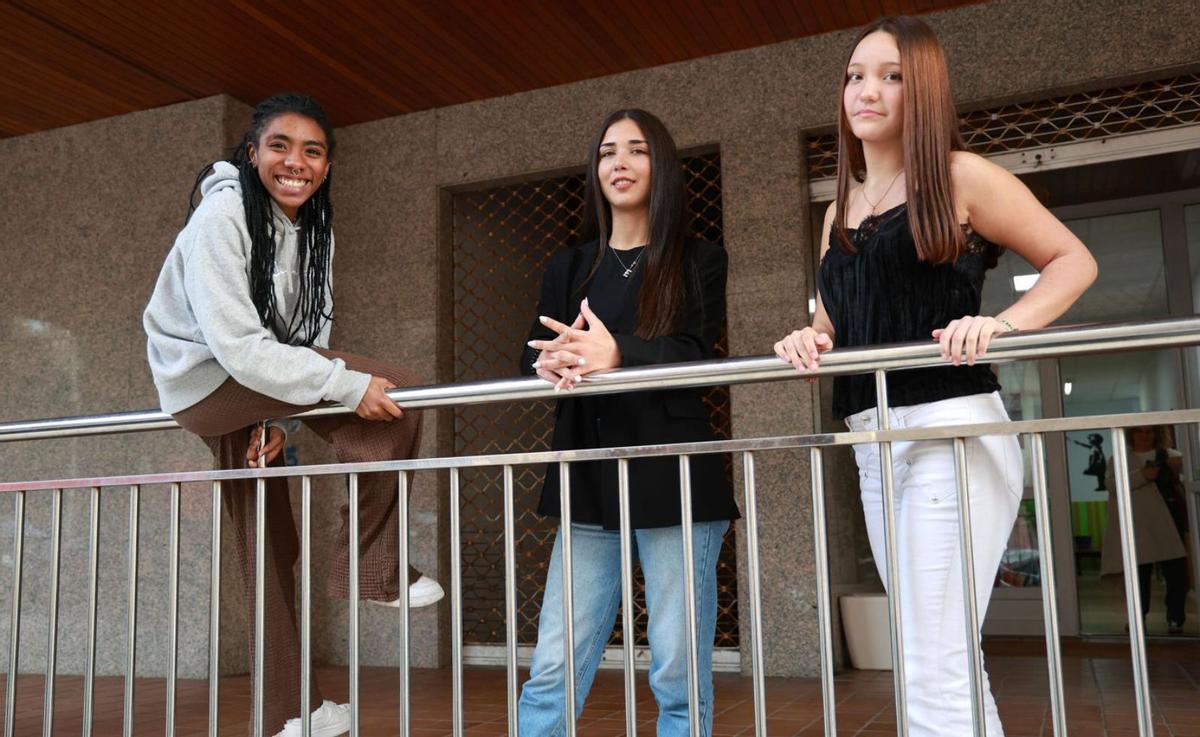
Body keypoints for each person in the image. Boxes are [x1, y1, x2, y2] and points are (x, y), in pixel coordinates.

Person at [773, 16, 1097, 737]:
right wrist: (810, 336)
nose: (868, 90)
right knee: (935, 649)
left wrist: (1007, 325)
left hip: (950, 427)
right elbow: (838, 320)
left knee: (929, 653)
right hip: (872, 439)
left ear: (922, 93)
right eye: (856, 74)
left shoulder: (959, 176)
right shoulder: (840, 207)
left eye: (891, 76)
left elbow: (1073, 260)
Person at [143, 93, 442, 737]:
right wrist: (345, 386)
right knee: (400, 390)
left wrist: (281, 422)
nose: (295, 162)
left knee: (269, 540)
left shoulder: (314, 231)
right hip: (207, 380)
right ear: (252, 155)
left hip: (252, 384)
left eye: (313, 151)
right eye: (279, 145)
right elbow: (237, 345)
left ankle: (293, 714)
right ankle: (372, 562)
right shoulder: (222, 215)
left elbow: (309, 332)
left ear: (327, 167)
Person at [517, 108, 740, 737]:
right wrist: (552, 360)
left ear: (660, 167)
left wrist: (617, 355)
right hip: (586, 475)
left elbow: (698, 355)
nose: (619, 162)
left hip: (676, 478)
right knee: (555, 661)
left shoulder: (698, 258)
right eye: (608, 151)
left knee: (676, 666)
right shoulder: (568, 266)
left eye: (637, 150)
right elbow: (531, 352)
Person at [1101, 425, 1189, 635]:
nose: (1144, 436)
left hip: (1167, 521)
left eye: (1149, 431)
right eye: (1139, 431)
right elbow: (1112, 485)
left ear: (1157, 434)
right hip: (1136, 524)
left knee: (1177, 574)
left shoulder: (1172, 456)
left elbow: (1190, 475)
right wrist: (1142, 475)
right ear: (1132, 434)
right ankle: (1137, 618)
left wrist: (1177, 468)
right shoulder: (1119, 458)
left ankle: (1176, 618)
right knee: (1138, 575)